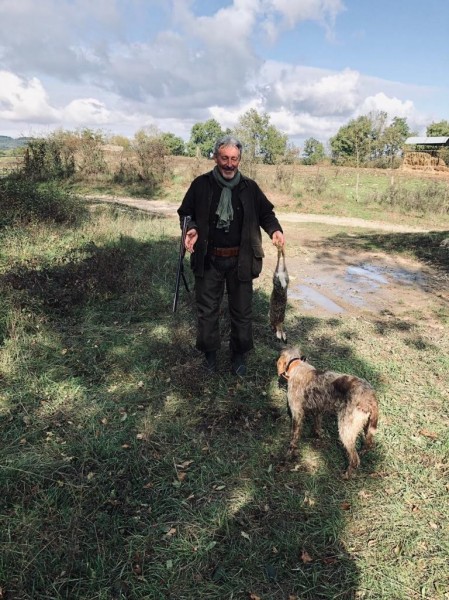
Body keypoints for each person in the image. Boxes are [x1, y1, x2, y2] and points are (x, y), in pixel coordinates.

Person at [177, 135, 285, 376]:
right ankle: (210, 356)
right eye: (224, 158)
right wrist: (191, 228)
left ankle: (238, 356)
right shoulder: (201, 185)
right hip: (208, 259)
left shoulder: (250, 188)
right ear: (216, 157)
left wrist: (275, 230)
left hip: (241, 261)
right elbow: (185, 212)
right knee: (207, 310)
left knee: (242, 310)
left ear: (240, 160)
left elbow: (267, 213)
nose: (229, 164)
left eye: (234, 159)